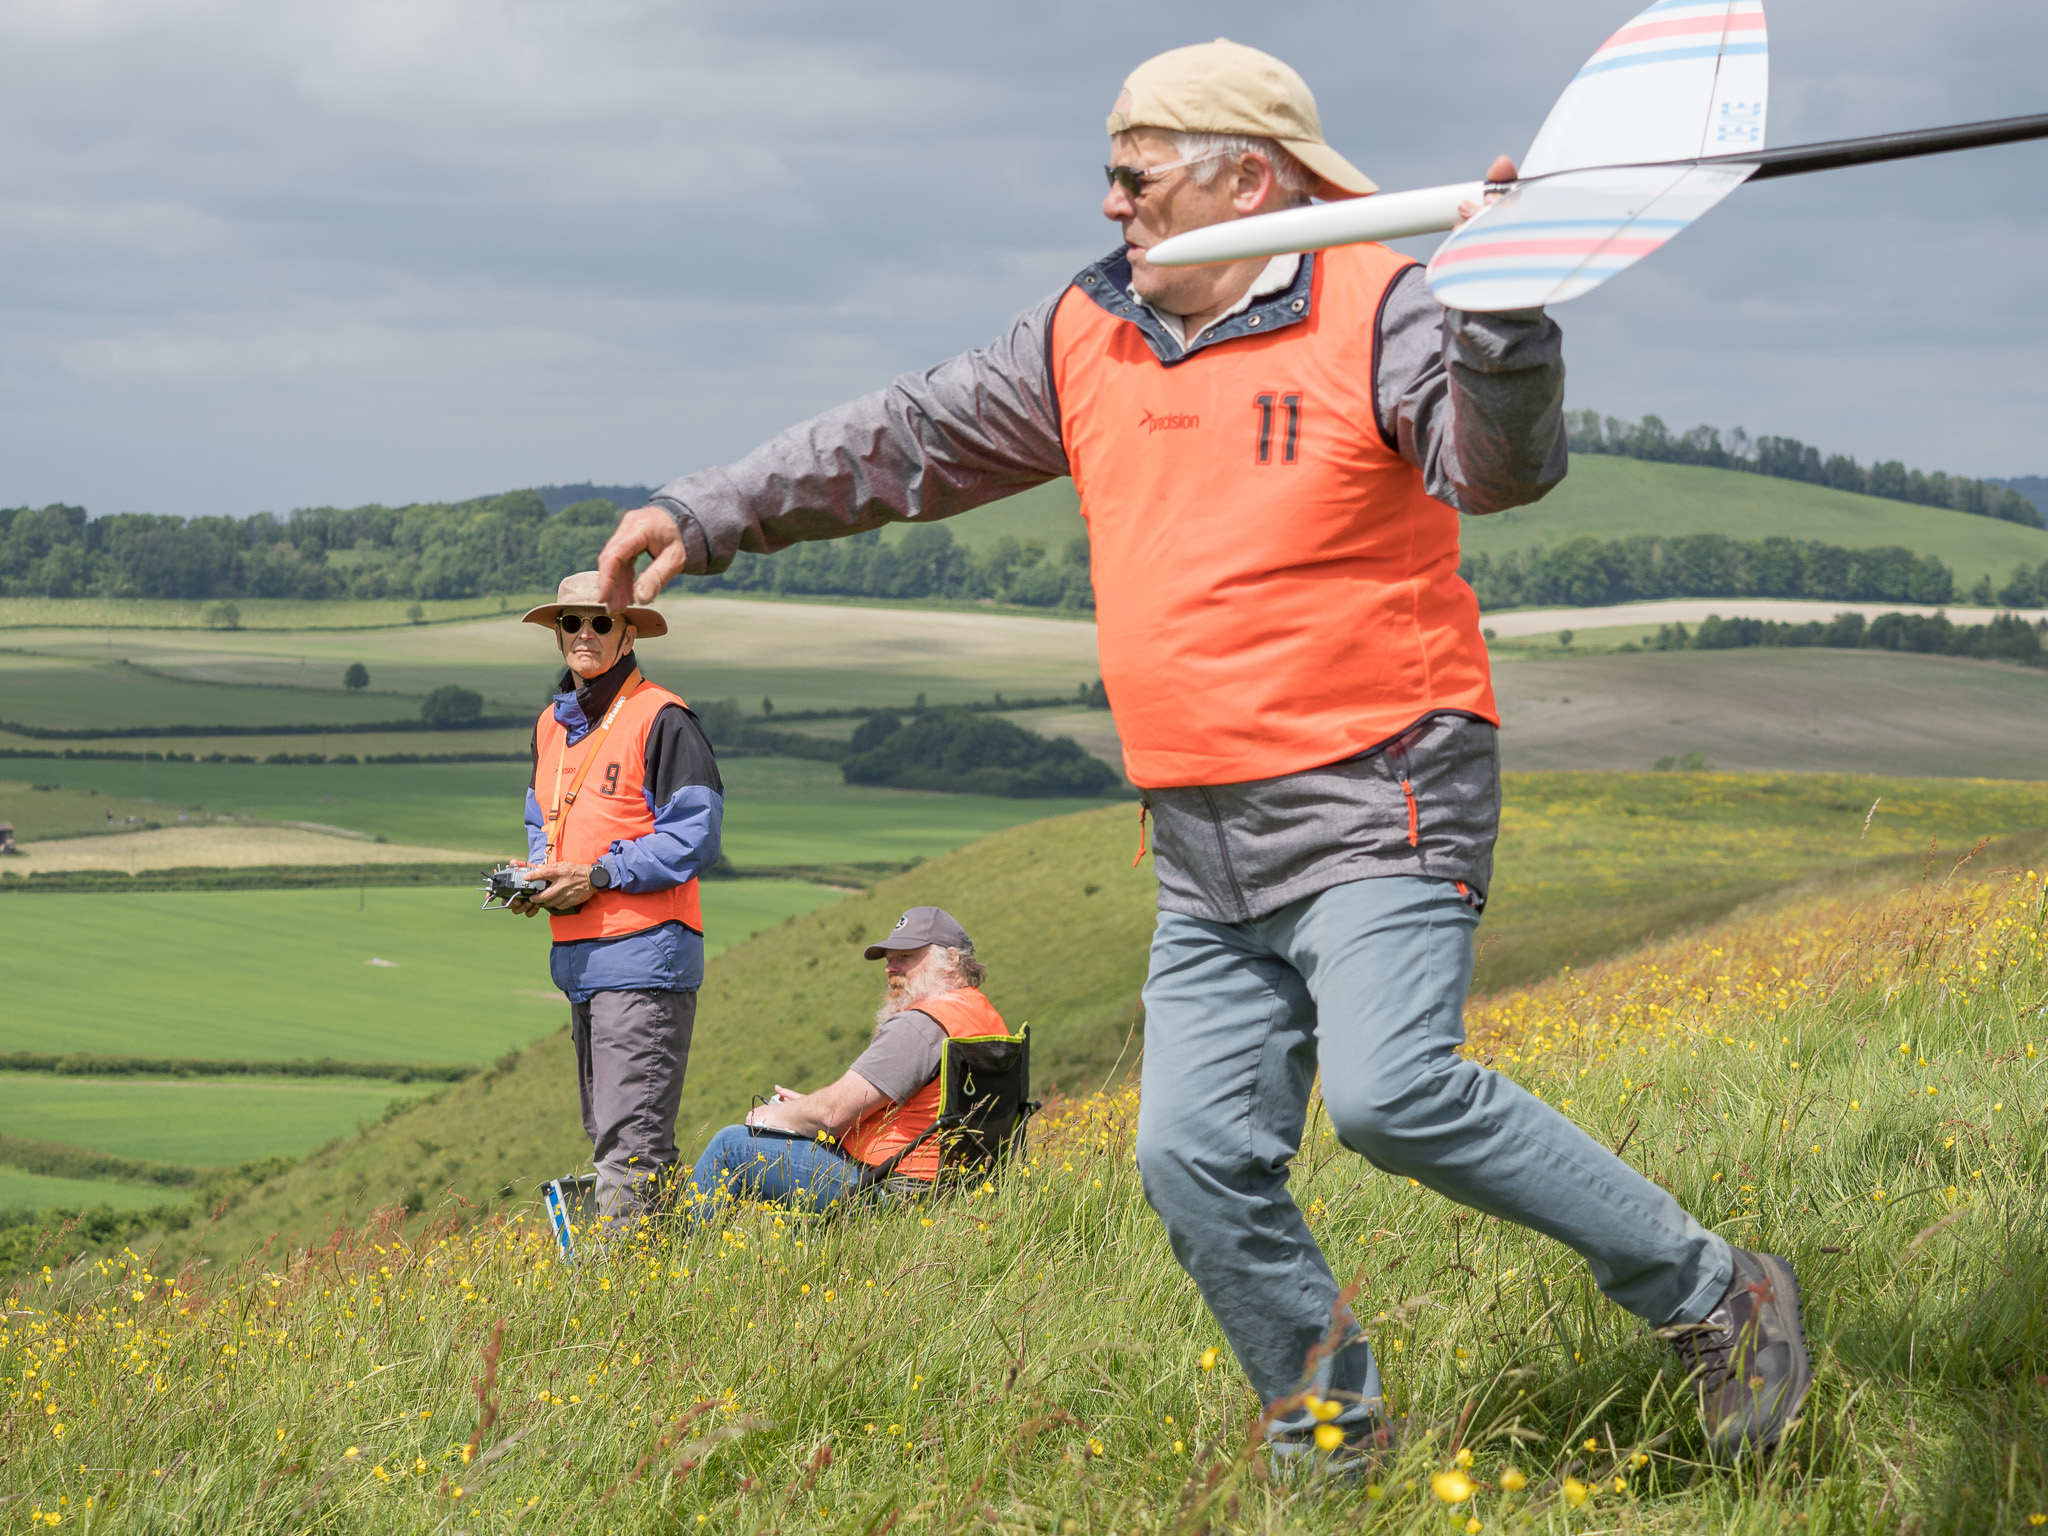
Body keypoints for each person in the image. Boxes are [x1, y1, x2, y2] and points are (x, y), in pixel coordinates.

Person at [593, 42, 1810, 1456]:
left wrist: (1505, 311)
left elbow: (1499, 467)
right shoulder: (1086, 332)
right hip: (1201, 835)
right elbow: (905, 438)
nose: (1112, 206)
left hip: (1380, 789)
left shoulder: (1383, 308)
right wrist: (713, 508)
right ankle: (1334, 1438)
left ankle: (1717, 1296)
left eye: (1136, 175)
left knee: (1391, 1090)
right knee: (1187, 1159)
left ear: (1254, 176)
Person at [511, 571, 724, 1227]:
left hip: (644, 956)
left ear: (628, 631)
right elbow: (540, 820)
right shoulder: (552, 724)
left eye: (600, 621)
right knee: (620, 1142)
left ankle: (630, 1308)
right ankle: (661, 1287)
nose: (584, 633)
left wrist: (598, 875)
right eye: (570, 622)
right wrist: (539, 878)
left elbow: (695, 835)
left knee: (628, 1153)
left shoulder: (663, 717)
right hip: (581, 960)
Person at [686, 906, 1006, 1217]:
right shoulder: (982, 1017)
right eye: (889, 959)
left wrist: (776, 1114)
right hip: (954, 1186)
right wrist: (805, 1108)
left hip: (893, 1186)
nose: (890, 968)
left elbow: (833, 1114)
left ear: (951, 961)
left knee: (730, 1146)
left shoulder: (920, 1025)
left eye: (906, 957)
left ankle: (687, 1260)